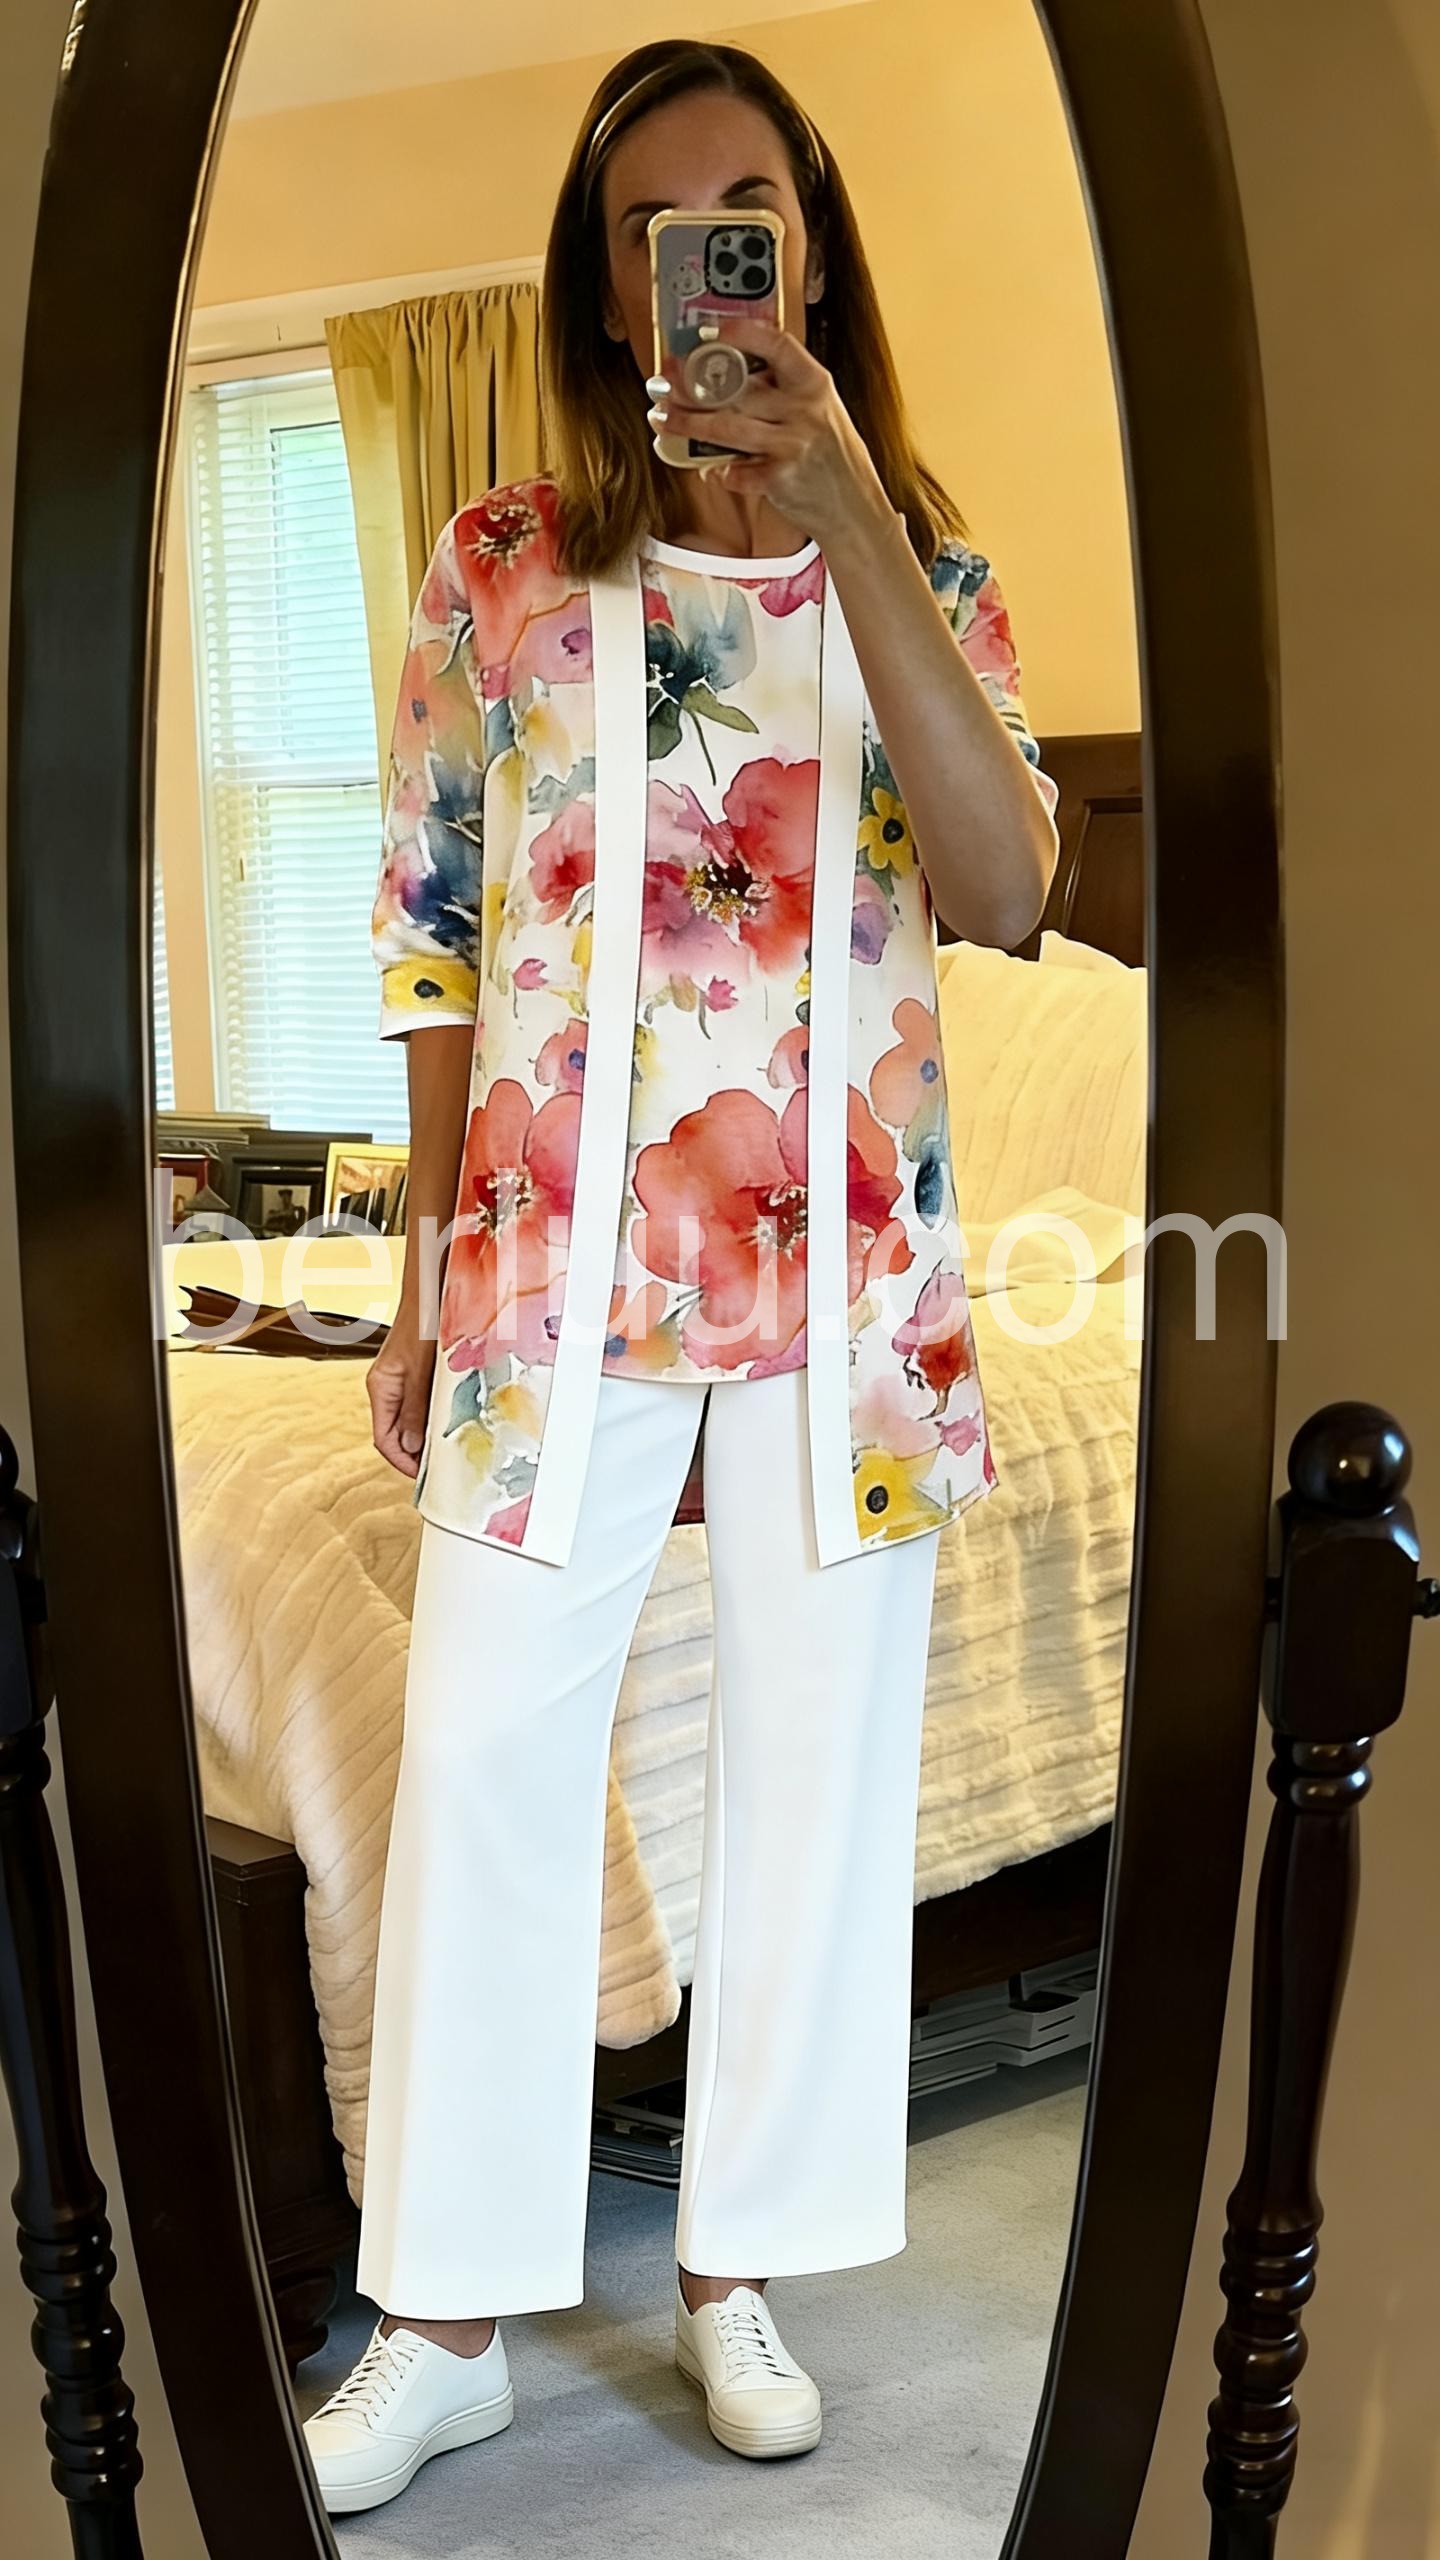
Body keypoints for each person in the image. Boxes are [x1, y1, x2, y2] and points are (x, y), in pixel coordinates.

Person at [303, 36, 1060, 2515]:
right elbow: (434, 925)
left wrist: (845, 510)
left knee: (815, 1777)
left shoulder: (925, 567)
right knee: (482, 1747)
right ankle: (446, 2316)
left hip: (845, 1272)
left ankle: (739, 2264)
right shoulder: (503, 556)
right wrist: (421, 1267)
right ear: (606, 279)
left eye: (740, 208)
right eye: (651, 225)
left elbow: (1006, 886)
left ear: (809, 244)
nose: (699, 256)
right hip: (547, 1261)